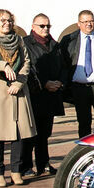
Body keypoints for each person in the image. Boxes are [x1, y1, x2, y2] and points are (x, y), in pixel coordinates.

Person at [0, 10, 37, 187]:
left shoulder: (19, 40)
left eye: (10, 20)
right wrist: (3, 65)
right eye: (2, 20)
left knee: (19, 133)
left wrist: (19, 82)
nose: (7, 23)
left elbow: (26, 62)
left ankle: (16, 171)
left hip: (18, 90)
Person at [22, 14, 65, 177]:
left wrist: (60, 82)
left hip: (51, 94)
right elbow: (28, 67)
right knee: (30, 132)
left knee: (45, 132)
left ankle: (43, 163)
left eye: (48, 26)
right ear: (33, 26)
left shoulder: (55, 45)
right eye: (42, 26)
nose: (45, 29)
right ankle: (25, 165)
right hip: (34, 93)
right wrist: (44, 82)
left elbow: (64, 66)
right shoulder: (26, 43)